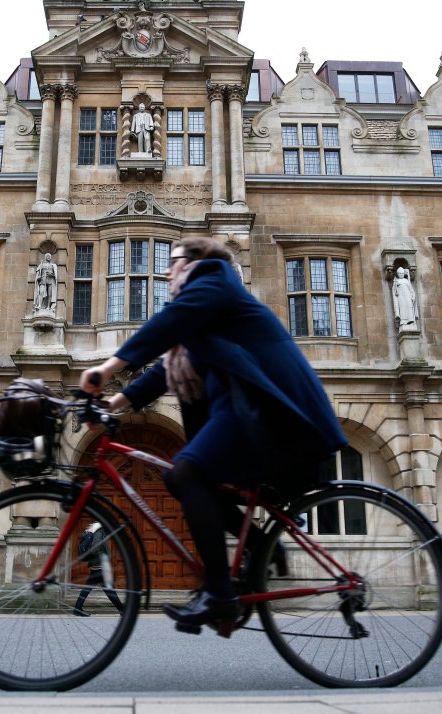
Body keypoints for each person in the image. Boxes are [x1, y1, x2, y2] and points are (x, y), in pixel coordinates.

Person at [80, 238, 347, 636]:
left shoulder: (216, 280)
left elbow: (167, 324)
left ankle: (220, 591)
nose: (167, 271)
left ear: (196, 262)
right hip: (249, 417)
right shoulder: (202, 321)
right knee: (189, 478)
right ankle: (259, 549)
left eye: (172, 262)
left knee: (186, 473)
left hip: (274, 416)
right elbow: (160, 373)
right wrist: (112, 403)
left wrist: (107, 367)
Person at [72, 522, 125, 617]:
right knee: (109, 589)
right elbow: (95, 548)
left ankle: (77, 608)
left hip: (97, 565)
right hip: (100, 565)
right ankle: (122, 609)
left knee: (90, 588)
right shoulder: (100, 532)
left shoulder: (100, 531)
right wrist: (103, 558)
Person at [393, 266, 419, 332]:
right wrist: (395, 285)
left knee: (409, 307)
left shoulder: (407, 281)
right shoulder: (397, 281)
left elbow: (411, 290)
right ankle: (403, 321)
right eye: (400, 274)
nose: (401, 275)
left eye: (402, 273)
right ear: (398, 274)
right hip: (401, 297)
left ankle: (411, 320)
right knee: (402, 308)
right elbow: (395, 292)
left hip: (408, 296)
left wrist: (413, 296)